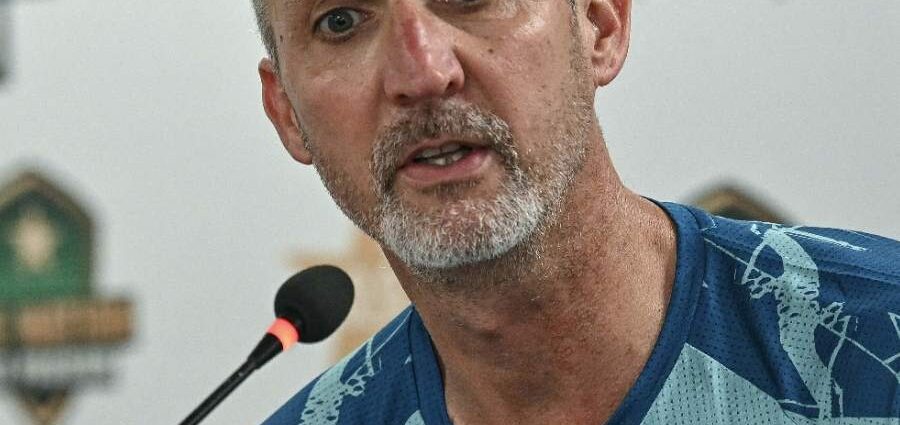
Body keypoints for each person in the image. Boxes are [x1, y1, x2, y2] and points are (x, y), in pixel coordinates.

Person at [252, 1, 900, 423]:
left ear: (599, 23)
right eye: (340, 21)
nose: (421, 73)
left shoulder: (881, 346)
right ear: (287, 114)